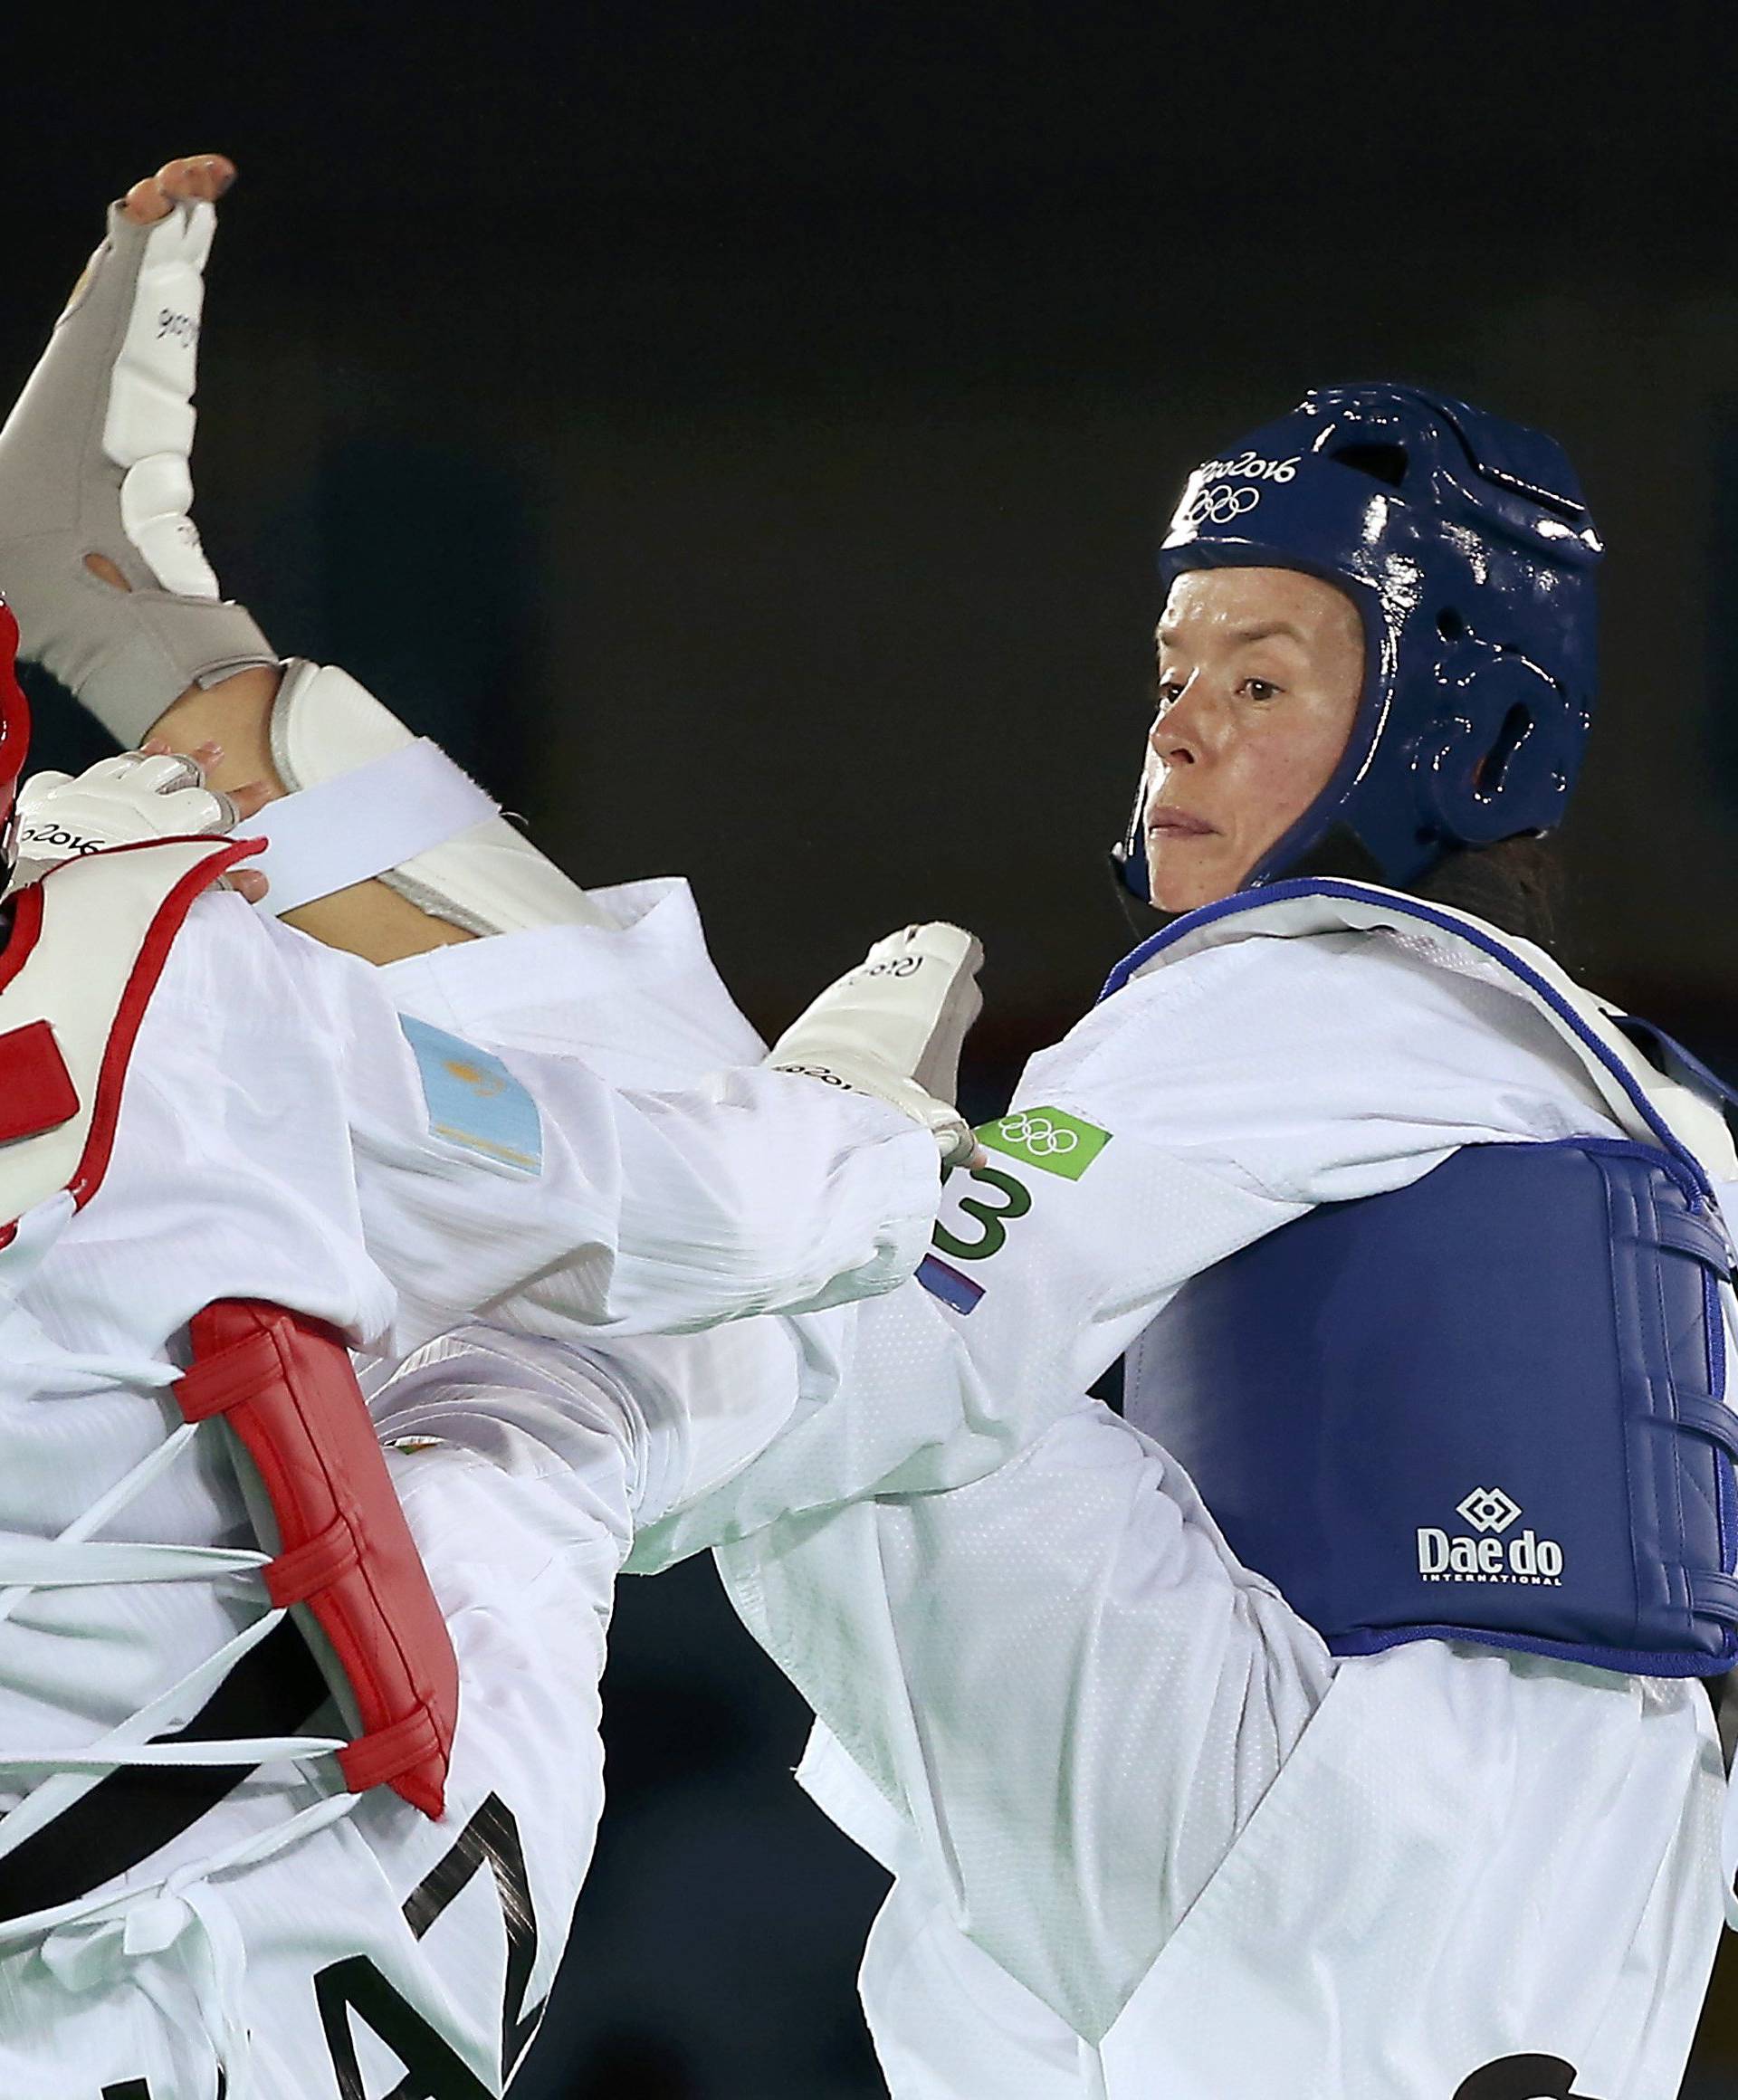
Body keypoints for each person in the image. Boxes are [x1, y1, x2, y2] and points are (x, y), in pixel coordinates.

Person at [0, 158, 997, 2098]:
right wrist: (866, 1144)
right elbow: (661, 1205)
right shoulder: (165, 1009)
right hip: (251, 1930)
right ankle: (162, 653)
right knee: (591, 1362)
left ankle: (162, 649)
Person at [664, 387, 1736, 2099]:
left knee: (822, 1314)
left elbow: (909, 1336)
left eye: (1260, 681)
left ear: (1458, 729)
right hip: (1610, 1919)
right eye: (1172, 677)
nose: (1177, 732)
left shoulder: (1295, 980)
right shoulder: (1674, 1113)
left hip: (1338, 1850)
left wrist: (828, 1180)